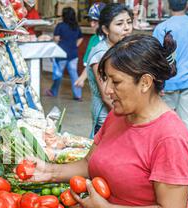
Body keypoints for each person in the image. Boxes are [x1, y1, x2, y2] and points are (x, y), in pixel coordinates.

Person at [23, 33, 188, 208]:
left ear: (145, 82)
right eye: (105, 80)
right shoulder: (118, 116)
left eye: (115, 82)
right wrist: (49, 171)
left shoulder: (169, 137)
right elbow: (90, 164)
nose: (107, 90)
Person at [153, 0, 188, 136]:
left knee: (165, 125)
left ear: (168, 5)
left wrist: (158, 83)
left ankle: (167, 154)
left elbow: (156, 58)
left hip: (167, 84)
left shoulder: (161, 27)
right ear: (186, 5)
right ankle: (184, 155)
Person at [86, 3, 133, 137]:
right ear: (106, 29)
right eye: (119, 24)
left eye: (129, 22)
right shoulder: (101, 54)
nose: (126, 28)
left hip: (124, 111)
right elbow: (107, 97)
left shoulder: (122, 48)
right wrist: (131, 119)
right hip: (107, 117)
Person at [45, 7, 83, 100]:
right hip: (73, 53)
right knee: (74, 74)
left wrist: (61, 40)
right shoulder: (76, 26)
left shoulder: (60, 26)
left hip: (61, 53)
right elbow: (81, 38)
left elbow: (56, 38)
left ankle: (53, 92)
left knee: (58, 74)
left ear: (64, 16)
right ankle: (78, 95)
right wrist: (75, 45)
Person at [74, 3, 106, 88]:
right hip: (97, 86)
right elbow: (89, 64)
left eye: (95, 21)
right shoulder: (93, 39)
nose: (92, 24)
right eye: (90, 20)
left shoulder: (114, 38)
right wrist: (81, 78)